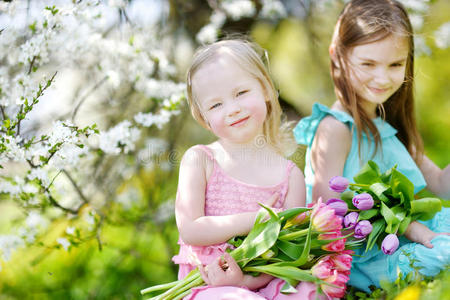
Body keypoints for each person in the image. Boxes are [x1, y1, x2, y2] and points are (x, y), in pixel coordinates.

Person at [293, 0, 450, 293]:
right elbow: (327, 211)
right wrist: (407, 227)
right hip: (371, 255)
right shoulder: (336, 128)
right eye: (368, 64)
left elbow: (441, 184)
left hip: (409, 236)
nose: (382, 78)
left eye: (395, 64)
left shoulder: (387, 123)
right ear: (337, 56)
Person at [173, 39, 324, 299]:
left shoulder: (290, 176)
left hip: (263, 284)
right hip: (209, 284)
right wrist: (258, 219)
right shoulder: (200, 160)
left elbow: (289, 252)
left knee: (314, 291)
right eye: (216, 105)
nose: (233, 109)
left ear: (266, 89)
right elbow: (191, 229)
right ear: (204, 118)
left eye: (241, 93)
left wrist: (246, 281)